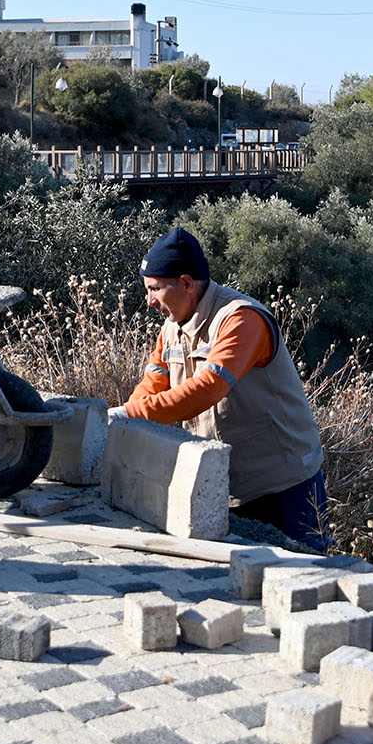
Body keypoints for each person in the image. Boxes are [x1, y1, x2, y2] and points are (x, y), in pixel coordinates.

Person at [113, 227, 331, 552]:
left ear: (186, 283)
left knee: (307, 583)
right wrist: (126, 421)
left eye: (155, 289)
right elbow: (150, 386)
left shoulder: (241, 319)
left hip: (285, 489)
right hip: (225, 489)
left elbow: (208, 388)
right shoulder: (172, 328)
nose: (149, 301)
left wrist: (126, 415)